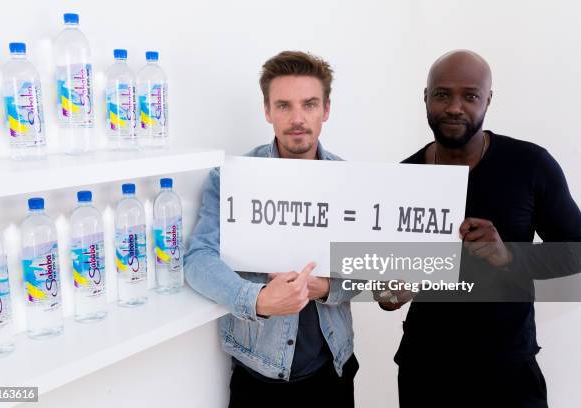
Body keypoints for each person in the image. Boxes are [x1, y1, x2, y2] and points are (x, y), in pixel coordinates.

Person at [384, 50, 581, 408]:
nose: (455, 107)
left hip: (509, 372)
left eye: (470, 96)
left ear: (487, 100)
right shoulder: (402, 177)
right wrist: (393, 291)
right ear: (425, 97)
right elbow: (387, 293)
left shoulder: (530, 165)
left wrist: (510, 256)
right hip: (426, 371)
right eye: (442, 94)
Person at [185, 51, 358, 408]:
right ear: (267, 111)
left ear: (326, 109)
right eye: (284, 106)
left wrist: (326, 287)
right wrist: (258, 299)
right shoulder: (232, 179)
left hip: (334, 369)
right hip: (258, 376)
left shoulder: (351, 181)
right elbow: (198, 258)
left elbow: (369, 266)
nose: (297, 119)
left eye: (309, 104)